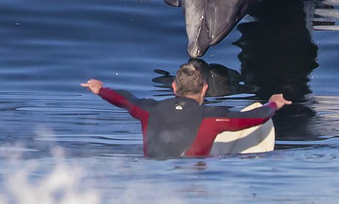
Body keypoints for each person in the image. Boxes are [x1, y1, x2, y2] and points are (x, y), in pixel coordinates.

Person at [81, 62, 291, 158]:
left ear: (174, 88)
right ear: (205, 89)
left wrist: (100, 89)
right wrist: (273, 103)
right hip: (190, 190)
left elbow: (124, 99)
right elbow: (255, 118)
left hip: (153, 183)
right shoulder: (211, 117)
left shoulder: (148, 110)